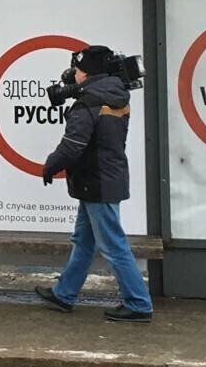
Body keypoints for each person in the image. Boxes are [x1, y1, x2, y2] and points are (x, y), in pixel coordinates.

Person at [36, 45, 153, 323]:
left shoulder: (88, 103)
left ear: (86, 72)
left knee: (113, 245)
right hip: (102, 180)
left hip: (97, 183)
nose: (72, 75)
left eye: (76, 70)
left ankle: (139, 303)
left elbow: (72, 146)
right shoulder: (115, 96)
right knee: (84, 242)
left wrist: (50, 166)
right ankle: (64, 294)